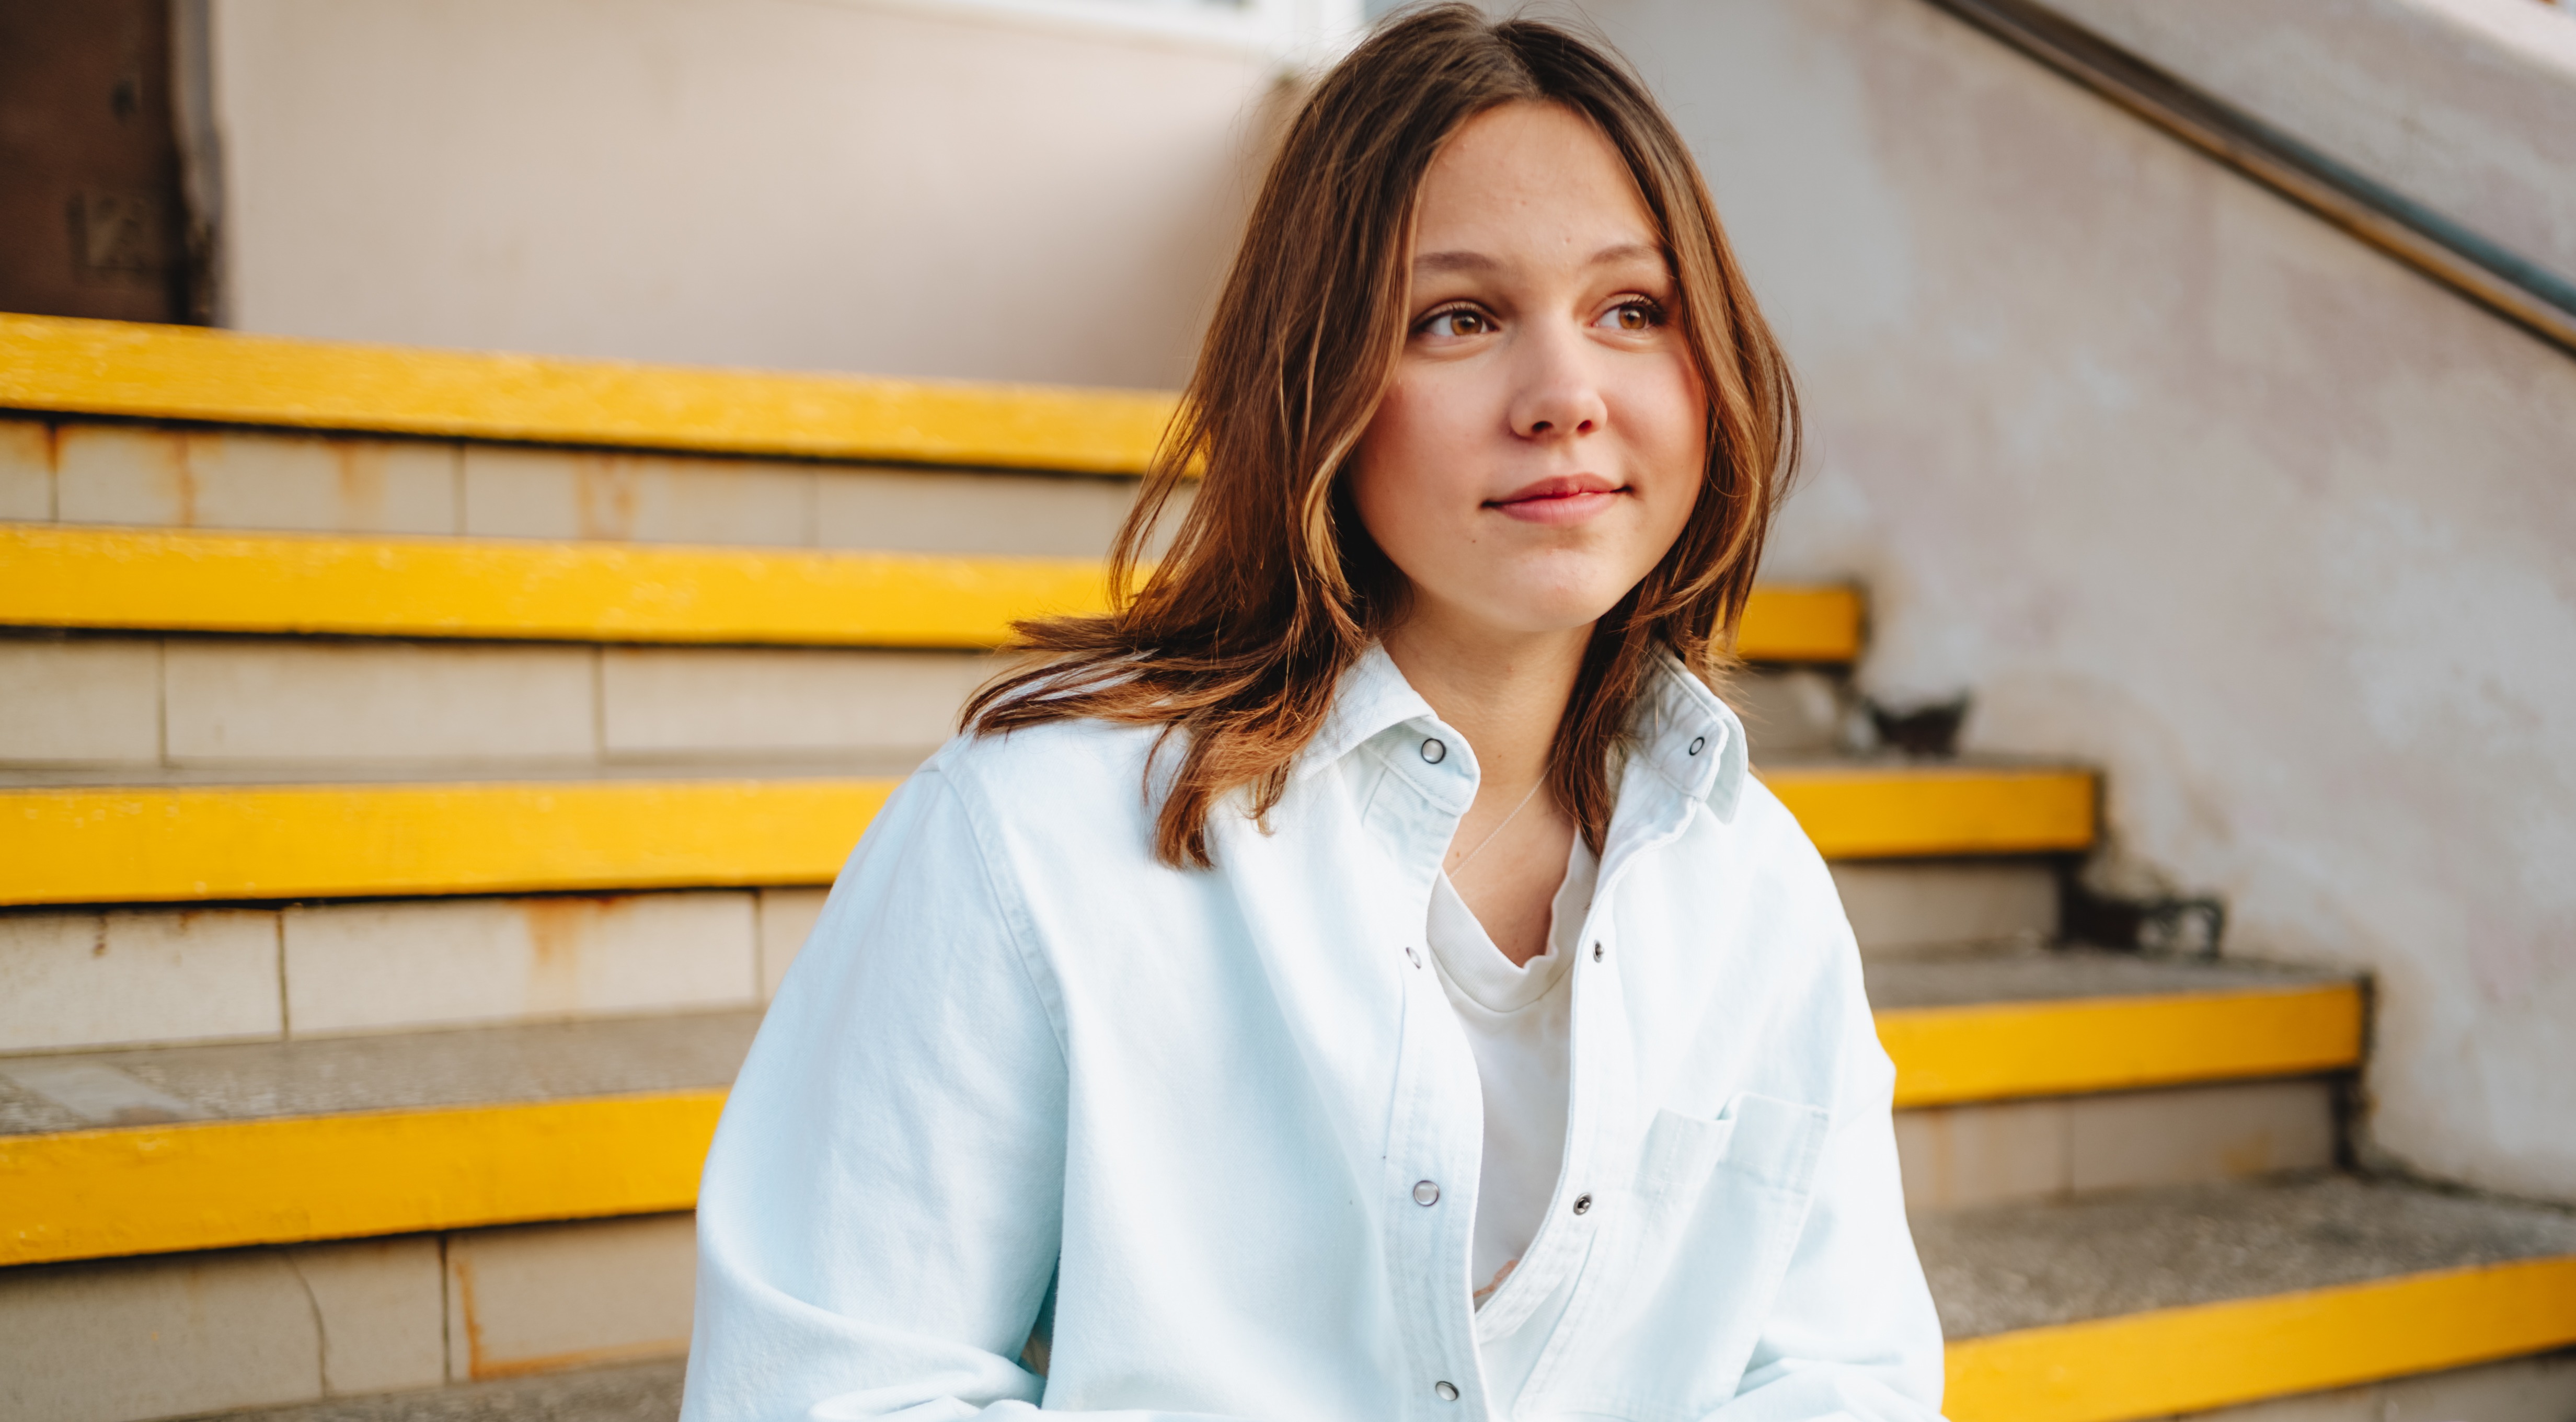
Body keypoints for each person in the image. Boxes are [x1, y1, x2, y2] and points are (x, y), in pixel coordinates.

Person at [681, 8, 1944, 1419]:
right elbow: (834, 1390)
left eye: (1631, 310)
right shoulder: (1035, 835)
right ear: (1319, 375)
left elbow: (1843, 1378)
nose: (1566, 397)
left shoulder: (1753, 884)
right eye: (1457, 319)